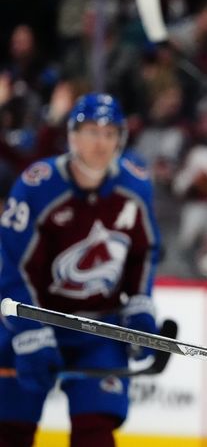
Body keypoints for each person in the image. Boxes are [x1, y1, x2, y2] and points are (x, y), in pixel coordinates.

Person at [0, 93, 161, 447]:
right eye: (91, 131)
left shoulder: (134, 184)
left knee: (95, 432)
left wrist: (139, 303)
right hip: (31, 319)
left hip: (98, 327)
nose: (100, 142)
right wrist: (28, 328)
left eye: (109, 133)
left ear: (119, 138)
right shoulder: (36, 185)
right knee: (10, 429)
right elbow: (7, 261)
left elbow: (144, 253)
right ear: (72, 136)